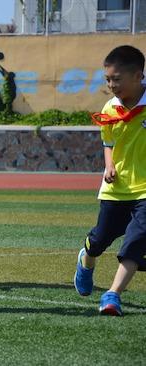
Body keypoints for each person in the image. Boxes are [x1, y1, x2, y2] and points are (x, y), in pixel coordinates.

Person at [74, 45, 146, 316]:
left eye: (116, 79)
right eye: (107, 79)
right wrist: (109, 164)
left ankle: (112, 294)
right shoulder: (110, 107)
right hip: (116, 189)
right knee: (100, 239)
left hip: (144, 191)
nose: (111, 85)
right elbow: (108, 141)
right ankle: (86, 261)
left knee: (135, 243)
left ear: (138, 76)